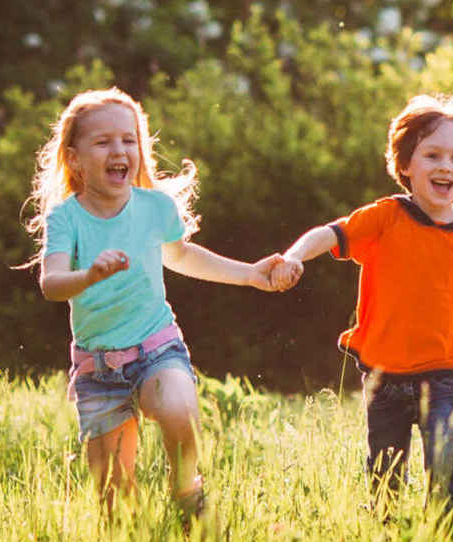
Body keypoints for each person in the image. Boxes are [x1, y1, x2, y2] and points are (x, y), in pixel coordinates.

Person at [272, 94, 453, 514]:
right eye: (432, 155)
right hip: (383, 375)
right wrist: (292, 257)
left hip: (444, 375)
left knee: (443, 461)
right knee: (384, 471)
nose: (445, 167)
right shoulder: (386, 217)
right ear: (405, 165)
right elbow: (328, 233)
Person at [28, 88, 287, 519]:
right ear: (74, 159)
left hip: (156, 347)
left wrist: (250, 273)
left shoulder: (153, 207)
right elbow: (51, 283)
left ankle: (187, 492)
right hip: (99, 368)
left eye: (129, 140)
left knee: (179, 409)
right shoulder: (66, 219)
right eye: (104, 142)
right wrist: (89, 275)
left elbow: (182, 255)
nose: (120, 150)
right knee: (115, 501)